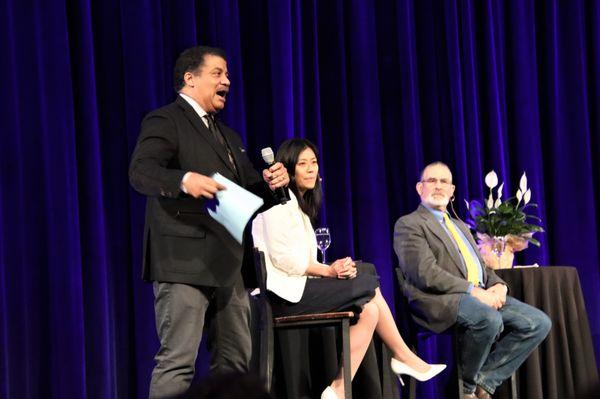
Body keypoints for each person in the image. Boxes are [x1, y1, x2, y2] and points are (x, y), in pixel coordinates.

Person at [129, 45, 289, 398]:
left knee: (234, 365)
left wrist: (273, 184)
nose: (227, 81)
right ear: (190, 78)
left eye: (227, 75)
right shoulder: (165, 120)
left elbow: (249, 193)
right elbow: (141, 172)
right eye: (218, 73)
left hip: (229, 266)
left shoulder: (229, 137)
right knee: (178, 361)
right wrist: (184, 180)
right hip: (183, 261)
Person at [251, 138, 446, 399]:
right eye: (303, 164)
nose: (311, 169)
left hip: (297, 287)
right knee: (366, 276)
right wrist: (330, 272)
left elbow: (302, 260)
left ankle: (338, 390)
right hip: (282, 295)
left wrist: (332, 268)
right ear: (287, 168)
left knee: (370, 307)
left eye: (314, 163)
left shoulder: (298, 206)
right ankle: (403, 356)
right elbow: (285, 261)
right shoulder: (278, 202)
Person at [393, 162, 551, 399]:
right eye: (431, 181)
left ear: (452, 190)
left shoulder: (460, 226)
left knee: (538, 323)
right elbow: (426, 274)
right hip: (438, 300)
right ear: (419, 188)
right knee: (489, 319)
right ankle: (464, 391)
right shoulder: (409, 224)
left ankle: (485, 381)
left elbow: (482, 268)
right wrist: (474, 292)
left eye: (444, 182)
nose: (438, 186)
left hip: (476, 296)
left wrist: (498, 285)